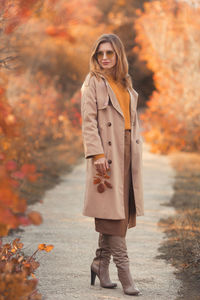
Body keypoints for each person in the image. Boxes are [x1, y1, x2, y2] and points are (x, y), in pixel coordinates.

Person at [80, 33, 144, 296]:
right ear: (96, 56)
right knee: (113, 214)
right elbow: (88, 122)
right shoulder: (92, 82)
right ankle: (125, 274)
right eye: (100, 54)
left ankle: (99, 264)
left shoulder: (125, 83)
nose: (104, 58)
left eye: (110, 53)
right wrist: (96, 155)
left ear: (118, 55)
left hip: (128, 151)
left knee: (120, 211)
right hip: (106, 154)